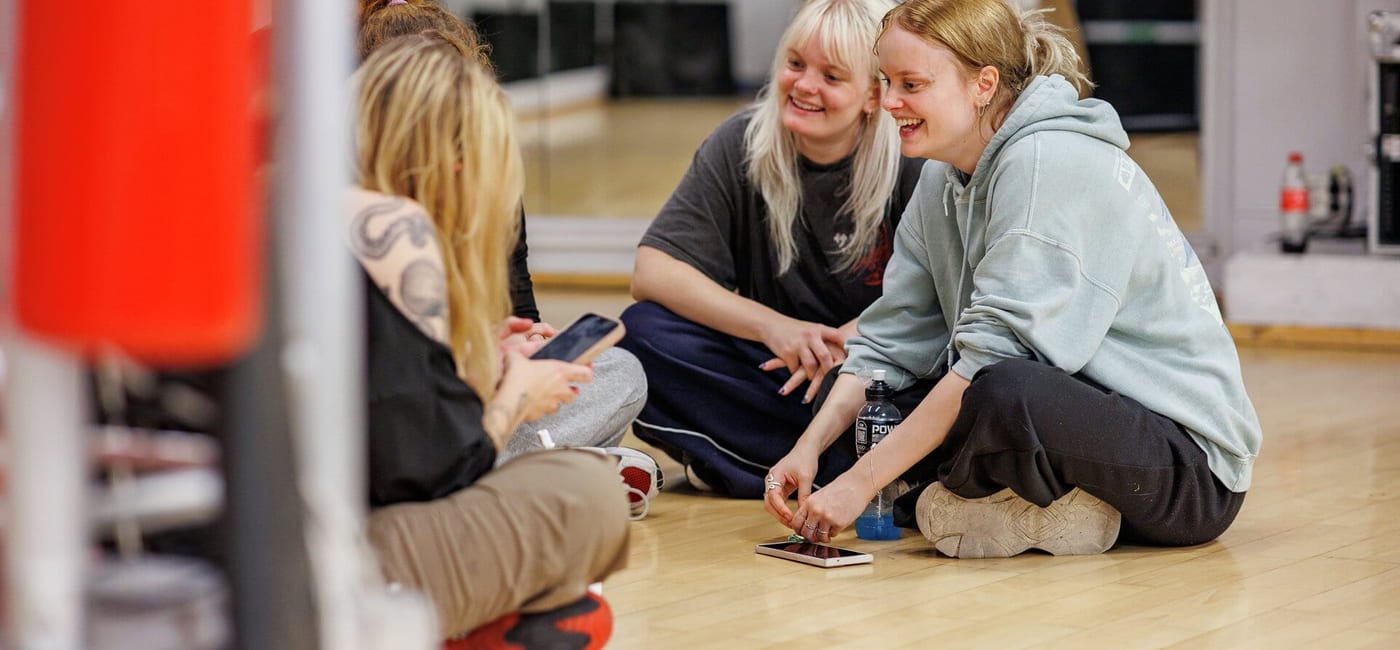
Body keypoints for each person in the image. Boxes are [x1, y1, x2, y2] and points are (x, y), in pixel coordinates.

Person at [763, 0, 1261, 558]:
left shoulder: (1048, 161)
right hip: (1073, 417)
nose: (889, 101)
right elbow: (888, 341)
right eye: (886, 80)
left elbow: (992, 362)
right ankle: (1019, 502)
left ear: (984, 84)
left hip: (1186, 473)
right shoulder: (939, 180)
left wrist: (859, 484)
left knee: (1001, 390)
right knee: (868, 402)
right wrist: (805, 453)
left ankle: (1012, 505)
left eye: (912, 83)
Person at [352, 35, 629, 644]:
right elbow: (433, 472)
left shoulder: (303, 198)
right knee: (590, 496)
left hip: (274, 524)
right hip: (340, 554)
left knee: (623, 372)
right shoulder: (395, 228)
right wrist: (515, 400)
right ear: (458, 158)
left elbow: (382, 403)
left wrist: (474, 355)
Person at [618, 0, 924, 498]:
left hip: (871, 366)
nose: (804, 85)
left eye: (831, 76)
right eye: (795, 64)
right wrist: (776, 328)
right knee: (641, 336)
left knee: (922, 388)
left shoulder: (910, 160)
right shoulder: (740, 141)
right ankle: (845, 473)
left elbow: (939, 298)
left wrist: (843, 341)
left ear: (873, 95)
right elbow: (652, 271)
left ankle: (735, 461)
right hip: (776, 371)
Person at [357, 0, 650, 467]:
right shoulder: (379, 226)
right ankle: (553, 465)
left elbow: (518, 312)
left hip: (462, 401)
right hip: (405, 441)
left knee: (621, 372)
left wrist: (517, 345)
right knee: (589, 503)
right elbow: (402, 392)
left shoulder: (487, 187)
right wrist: (497, 378)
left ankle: (541, 462)